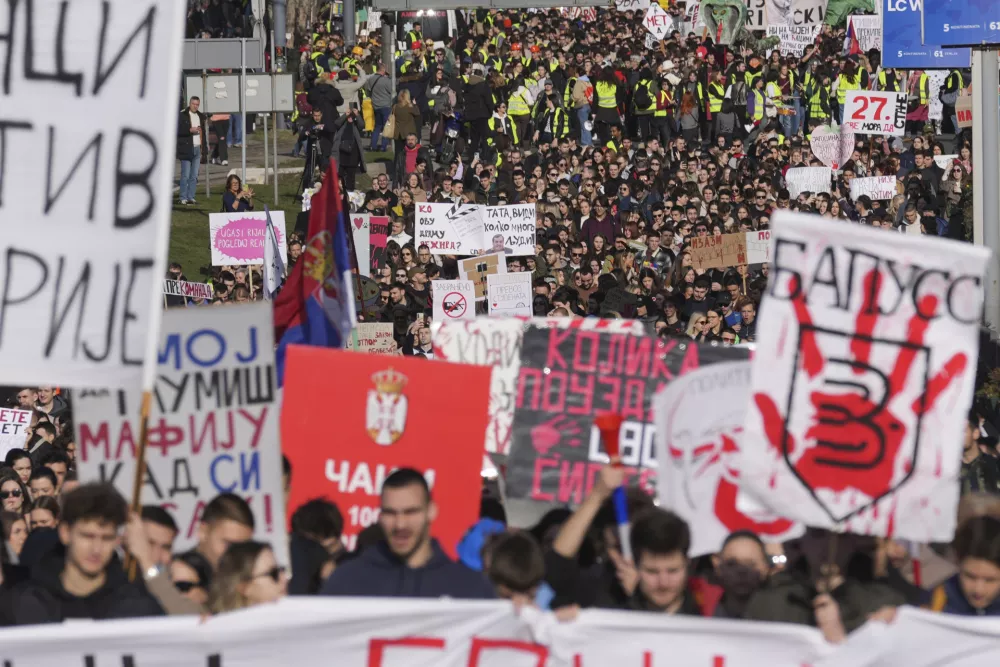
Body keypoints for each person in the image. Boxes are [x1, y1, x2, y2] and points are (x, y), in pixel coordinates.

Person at [321, 468, 495, 598]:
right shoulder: (346, 581)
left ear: (431, 511)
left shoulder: (469, 588)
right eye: (390, 513)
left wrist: (519, 614)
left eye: (410, 512)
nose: (400, 524)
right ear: (380, 516)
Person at [2, 483, 163, 624]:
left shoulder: (135, 605)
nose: (96, 549)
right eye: (87, 536)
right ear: (65, 533)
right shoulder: (24, 603)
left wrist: (148, 563)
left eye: (107, 538)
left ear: (117, 540)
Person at [928, 515, 1000, 615]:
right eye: (970, 576)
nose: (978, 590)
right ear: (957, 562)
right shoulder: (936, 600)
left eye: (990, 580)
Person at [208, 541, 287, 613]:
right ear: (244, 587)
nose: (284, 578)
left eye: (281, 570)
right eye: (274, 573)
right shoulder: (216, 626)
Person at [192, 493, 255, 571]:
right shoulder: (175, 576)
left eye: (244, 548)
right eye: (229, 544)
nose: (237, 556)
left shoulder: (248, 578)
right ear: (202, 532)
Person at [177, 96, 205, 205]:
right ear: (190, 103)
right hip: (187, 148)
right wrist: (190, 130)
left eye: (197, 104)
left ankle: (191, 196)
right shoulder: (183, 115)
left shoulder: (200, 116)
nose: (195, 106)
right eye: (194, 104)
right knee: (185, 175)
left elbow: (204, 134)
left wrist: (204, 149)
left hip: (197, 148)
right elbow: (177, 130)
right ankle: (183, 197)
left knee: (194, 175)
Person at [331, 105, 366, 190]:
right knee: (338, 174)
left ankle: (350, 193)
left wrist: (357, 115)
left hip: (353, 154)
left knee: (351, 176)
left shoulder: (355, 123)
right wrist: (345, 115)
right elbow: (337, 123)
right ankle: (338, 192)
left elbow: (362, 125)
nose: (350, 115)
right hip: (341, 153)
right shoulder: (343, 122)